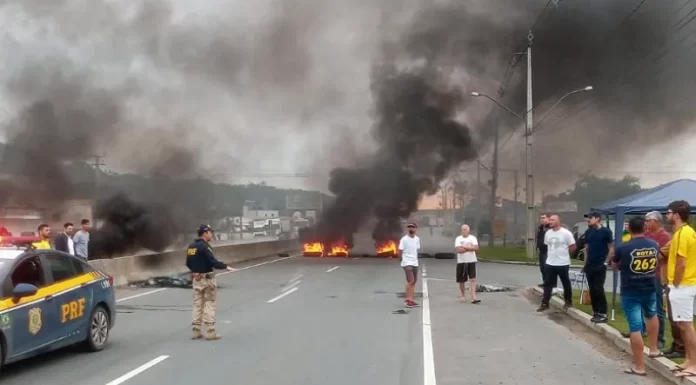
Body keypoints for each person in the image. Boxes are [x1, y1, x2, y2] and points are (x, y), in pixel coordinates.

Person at [611, 217, 662, 376]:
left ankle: (639, 366)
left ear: (629, 229)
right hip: (649, 287)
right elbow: (657, 261)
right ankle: (653, 349)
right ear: (644, 228)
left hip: (630, 290)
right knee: (652, 315)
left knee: (635, 327)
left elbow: (615, 265)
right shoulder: (654, 245)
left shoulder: (623, 247)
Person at [186, 224, 237, 340]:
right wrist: (226, 267)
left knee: (197, 304)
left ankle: (196, 331)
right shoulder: (205, 247)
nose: (212, 234)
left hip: (196, 279)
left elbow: (188, 263)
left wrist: (195, 271)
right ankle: (210, 332)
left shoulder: (191, 247)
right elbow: (213, 261)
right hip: (207, 279)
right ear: (205, 233)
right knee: (209, 303)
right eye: (210, 232)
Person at [665, 200, 696, 377]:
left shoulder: (684, 233)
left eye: (668, 212)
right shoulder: (681, 233)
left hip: (683, 284)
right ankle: (689, 360)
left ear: (676, 215)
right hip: (681, 285)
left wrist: (675, 283)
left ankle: (694, 364)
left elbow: (682, 263)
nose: (666, 215)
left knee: (686, 325)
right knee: (682, 325)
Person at [644, 211, 675, 354]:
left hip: (656, 275)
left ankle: (660, 338)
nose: (646, 222)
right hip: (643, 274)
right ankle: (644, 330)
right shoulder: (645, 234)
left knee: (657, 307)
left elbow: (662, 256)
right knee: (643, 305)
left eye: (648, 220)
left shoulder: (664, 236)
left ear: (657, 221)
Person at [537, 214, 576, 312]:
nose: (550, 222)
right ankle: (545, 303)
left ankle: (568, 301)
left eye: (552, 220)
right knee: (548, 284)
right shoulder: (548, 233)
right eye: (549, 220)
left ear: (558, 221)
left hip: (563, 263)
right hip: (550, 263)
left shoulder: (566, 233)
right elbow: (547, 246)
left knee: (565, 282)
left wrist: (567, 254)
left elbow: (573, 246)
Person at [582, 212, 614, 324]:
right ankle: (596, 312)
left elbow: (611, 248)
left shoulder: (606, 232)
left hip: (600, 264)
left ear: (598, 219)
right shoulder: (588, 232)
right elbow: (587, 249)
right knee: (592, 289)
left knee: (598, 288)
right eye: (588, 218)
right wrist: (585, 264)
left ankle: (603, 313)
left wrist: (605, 262)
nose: (588, 220)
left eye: (591, 218)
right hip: (590, 264)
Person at [455, 224, 480, 303]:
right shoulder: (458, 239)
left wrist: (465, 247)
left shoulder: (473, 238)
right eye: (462, 229)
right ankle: (463, 295)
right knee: (462, 280)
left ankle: (473, 297)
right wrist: (470, 248)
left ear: (468, 230)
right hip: (462, 262)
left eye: (465, 229)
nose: (464, 231)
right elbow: (458, 250)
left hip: (471, 261)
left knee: (473, 279)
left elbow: (476, 248)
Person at [398, 223, 421, 308]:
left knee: (414, 281)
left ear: (416, 229)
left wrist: (415, 259)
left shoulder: (417, 239)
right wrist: (402, 260)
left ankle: (411, 299)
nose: (411, 228)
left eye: (412, 227)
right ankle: (407, 299)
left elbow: (416, 250)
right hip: (407, 263)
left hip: (415, 262)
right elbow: (400, 251)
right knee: (410, 281)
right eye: (409, 227)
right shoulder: (404, 239)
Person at [536, 213, 551, 287]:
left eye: (544, 218)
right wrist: (537, 247)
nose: (542, 219)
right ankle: (545, 282)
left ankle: (550, 283)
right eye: (541, 218)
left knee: (547, 267)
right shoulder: (540, 228)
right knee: (542, 268)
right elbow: (538, 238)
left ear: (548, 219)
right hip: (541, 250)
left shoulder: (551, 228)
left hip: (548, 250)